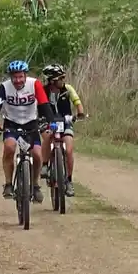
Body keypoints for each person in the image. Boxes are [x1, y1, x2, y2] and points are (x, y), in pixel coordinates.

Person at [0, 60, 54, 202]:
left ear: (25, 75)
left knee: (37, 155)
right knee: (9, 147)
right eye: (15, 77)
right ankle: (8, 184)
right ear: (11, 77)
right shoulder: (4, 87)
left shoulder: (35, 84)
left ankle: (35, 186)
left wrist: (51, 121)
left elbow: (44, 104)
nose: (17, 80)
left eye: (20, 77)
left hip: (31, 124)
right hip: (12, 124)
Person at [40, 63, 86, 195]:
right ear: (52, 81)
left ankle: (69, 181)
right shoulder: (43, 91)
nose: (63, 81)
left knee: (69, 150)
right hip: (47, 122)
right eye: (60, 78)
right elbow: (36, 105)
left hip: (65, 121)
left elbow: (77, 103)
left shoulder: (68, 89)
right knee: (48, 137)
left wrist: (80, 113)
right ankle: (44, 164)